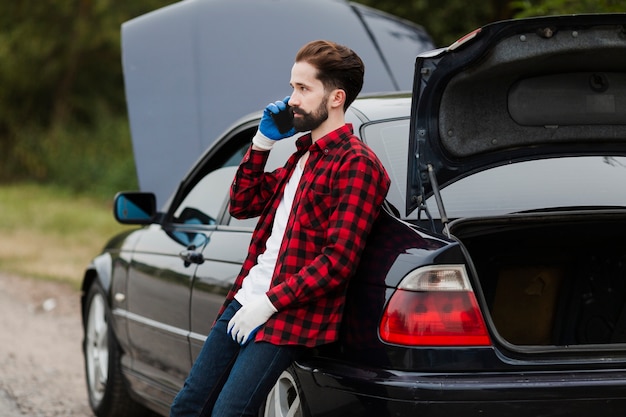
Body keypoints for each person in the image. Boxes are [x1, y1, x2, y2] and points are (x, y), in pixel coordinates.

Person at [170, 39, 390, 417]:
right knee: (188, 406)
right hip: (245, 298)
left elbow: (337, 261)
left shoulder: (357, 164)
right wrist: (262, 142)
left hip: (286, 314)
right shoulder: (301, 156)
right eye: (292, 87)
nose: (292, 99)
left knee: (229, 413)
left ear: (336, 98)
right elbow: (242, 204)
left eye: (303, 89)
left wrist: (268, 304)